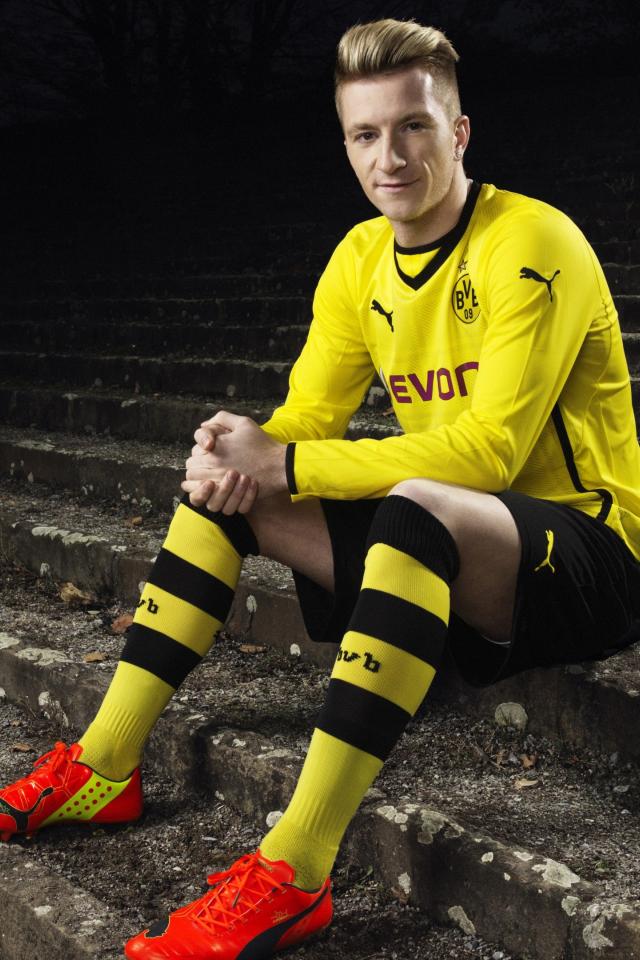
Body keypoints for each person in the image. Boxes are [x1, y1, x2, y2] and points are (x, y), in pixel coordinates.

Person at [2, 16, 640, 960]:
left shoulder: (532, 241)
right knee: (230, 494)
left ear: (459, 132)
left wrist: (289, 463)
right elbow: (306, 418)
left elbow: (489, 457)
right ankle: (105, 763)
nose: (391, 156)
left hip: (586, 555)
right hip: (451, 554)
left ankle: (295, 868)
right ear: (346, 142)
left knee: (418, 504)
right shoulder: (359, 259)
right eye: (365, 133)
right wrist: (239, 454)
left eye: (414, 126)